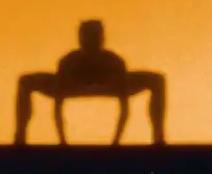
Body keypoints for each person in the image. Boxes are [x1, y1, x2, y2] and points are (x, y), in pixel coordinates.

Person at [14, 19, 165, 145]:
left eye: (94, 37)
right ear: (80, 39)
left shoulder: (114, 62)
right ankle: (20, 135)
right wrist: (62, 141)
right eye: (87, 37)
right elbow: (58, 105)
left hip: (106, 86)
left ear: (102, 39)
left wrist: (116, 141)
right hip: (73, 86)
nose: (91, 42)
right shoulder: (69, 62)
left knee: (157, 80)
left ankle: (158, 136)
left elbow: (124, 105)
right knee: (25, 82)